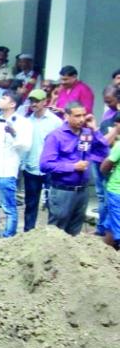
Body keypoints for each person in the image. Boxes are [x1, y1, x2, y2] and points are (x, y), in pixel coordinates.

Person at [40, 102, 109, 236]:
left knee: (75, 233)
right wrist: (72, 167)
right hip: (62, 191)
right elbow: (45, 165)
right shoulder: (56, 136)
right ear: (67, 116)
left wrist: (95, 130)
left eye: (84, 115)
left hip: (82, 191)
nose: (82, 119)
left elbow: (104, 153)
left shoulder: (87, 134)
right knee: (56, 233)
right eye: (77, 116)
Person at [0, 91, 32, 238]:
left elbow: (26, 146)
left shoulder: (23, 123)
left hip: (5, 171)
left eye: (4, 98)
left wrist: (14, 133)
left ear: (12, 104)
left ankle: (8, 237)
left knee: (8, 208)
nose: (0, 100)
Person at [21, 89, 63, 231]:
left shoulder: (56, 122)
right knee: (30, 204)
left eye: (37, 101)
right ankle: (28, 234)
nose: (33, 104)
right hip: (31, 167)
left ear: (45, 102)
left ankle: (53, 234)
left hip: (50, 169)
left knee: (53, 204)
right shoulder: (26, 121)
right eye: (31, 101)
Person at [95, 85, 120, 235]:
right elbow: (101, 142)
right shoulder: (108, 116)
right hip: (105, 164)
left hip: (114, 185)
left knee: (114, 219)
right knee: (103, 199)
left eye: (109, 101)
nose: (108, 104)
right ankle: (102, 230)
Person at [99, 131, 120, 248]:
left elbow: (105, 165)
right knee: (112, 225)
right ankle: (104, 256)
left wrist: (105, 174)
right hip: (116, 191)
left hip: (117, 191)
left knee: (116, 226)